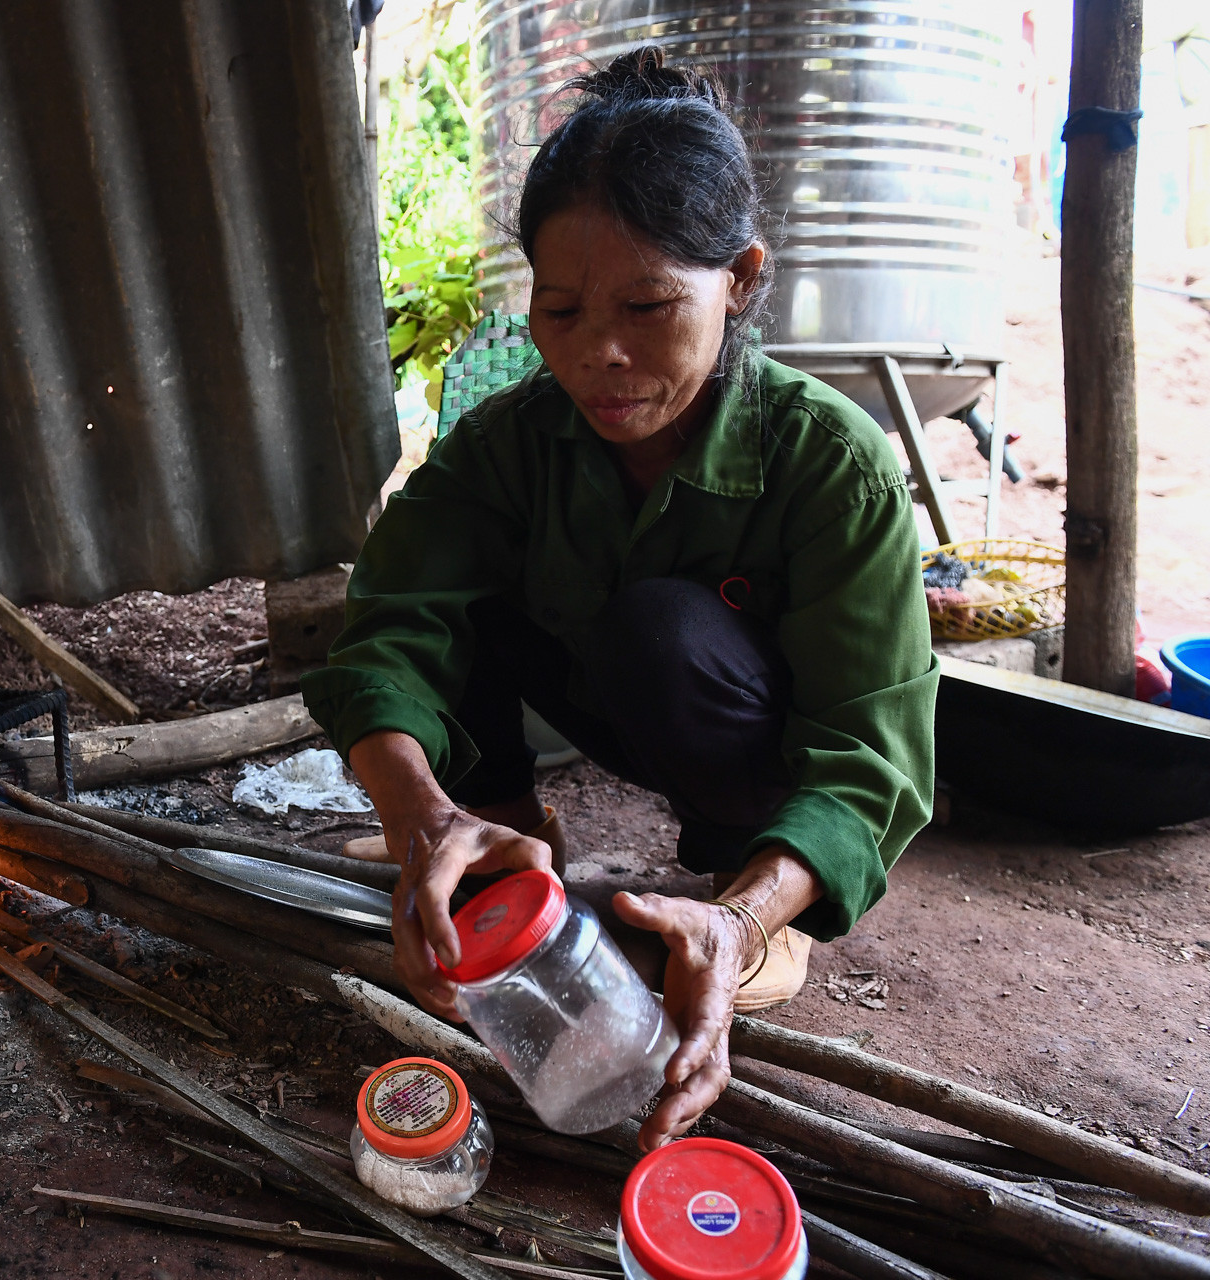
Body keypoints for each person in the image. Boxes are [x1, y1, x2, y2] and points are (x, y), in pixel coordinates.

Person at [301, 46, 937, 1151]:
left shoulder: (834, 462)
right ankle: (495, 841)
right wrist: (421, 818)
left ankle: (740, 905)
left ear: (739, 279)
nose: (599, 353)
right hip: (600, 700)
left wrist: (739, 918)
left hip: (741, 741)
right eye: (560, 310)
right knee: (465, 585)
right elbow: (389, 630)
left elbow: (869, 756)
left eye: (649, 306)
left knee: (665, 629)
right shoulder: (514, 440)